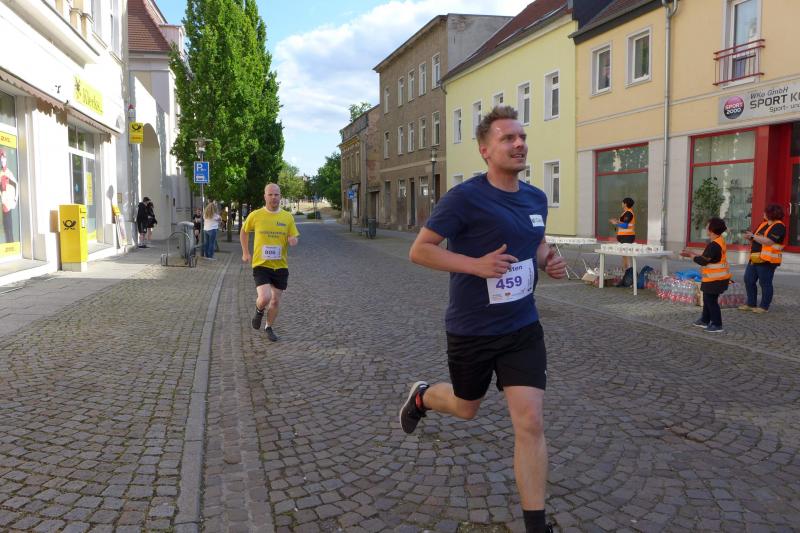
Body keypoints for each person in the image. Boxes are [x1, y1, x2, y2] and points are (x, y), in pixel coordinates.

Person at [401, 106, 566, 533]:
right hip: (472, 329)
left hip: (522, 328)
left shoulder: (535, 197)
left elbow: (535, 242)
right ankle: (422, 397)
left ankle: (536, 526)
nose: (519, 143)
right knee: (465, 406)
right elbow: (420, 250)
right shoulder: (464, 198)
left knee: (530, 421)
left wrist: (548, 258)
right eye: (508, 138)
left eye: (521, 136)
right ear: (485, 150)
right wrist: (476, 265)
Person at [240, 183, 299, 342]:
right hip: (261, 264)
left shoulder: (287, 217)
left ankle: (268, 327)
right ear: (265, 196)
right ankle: (259, 310)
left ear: (280, 196)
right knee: (265, 297)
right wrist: (245, 252)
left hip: (280, 265)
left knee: (275, 300)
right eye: (270, 194)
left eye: (276, 195)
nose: (273, 197)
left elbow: (293, 235)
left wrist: (293, 240)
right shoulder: (256, 215)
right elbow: (244, 232)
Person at [680, 217, 730, 333]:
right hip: (715, 278)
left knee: (710, 300)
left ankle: (717, 324)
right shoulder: (718, 241)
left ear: (712, 229)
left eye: (707, 226)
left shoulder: (714, 245)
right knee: (707, 299)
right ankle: (705, 320)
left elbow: (703, 261)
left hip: (715, 279)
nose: (706, 228)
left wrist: (691, 256)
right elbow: (707, 257)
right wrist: (692, 253)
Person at [740, 204, 786, 313]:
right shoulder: (763, 224)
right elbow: (755, 238)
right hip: (755, 257)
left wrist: (753, 236)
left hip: (767, 260)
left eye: (765, 212)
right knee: (748, 279)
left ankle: (764, 307)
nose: (763, 214)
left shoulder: (779, 226)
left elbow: (769, 241)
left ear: (772, 213)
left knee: (765, 283)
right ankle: (751, 304)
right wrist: (750, 237)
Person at [609, 197, 635, 272]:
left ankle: (628, 272)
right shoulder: (625, 213)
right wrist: (617, 221)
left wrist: (616, 223)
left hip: (627, 237)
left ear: (625, 204)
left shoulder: (629, 213)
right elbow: (623, 223)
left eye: (622, 202)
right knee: (624, 256)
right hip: (624, 237)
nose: (621, 204)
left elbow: (625, 225)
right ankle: (626, 272)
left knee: (626, 256)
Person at [0, 148, 18, 243]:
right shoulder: (1, 173)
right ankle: (9, 242)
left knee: (8, 225)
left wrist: (13, 201)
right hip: (4, 203)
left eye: (3, 158)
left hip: (8, 203)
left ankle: (11, 243)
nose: (2, 160)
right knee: (6, 225)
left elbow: (15, 185)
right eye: (1, 158)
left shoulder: (8, 173)